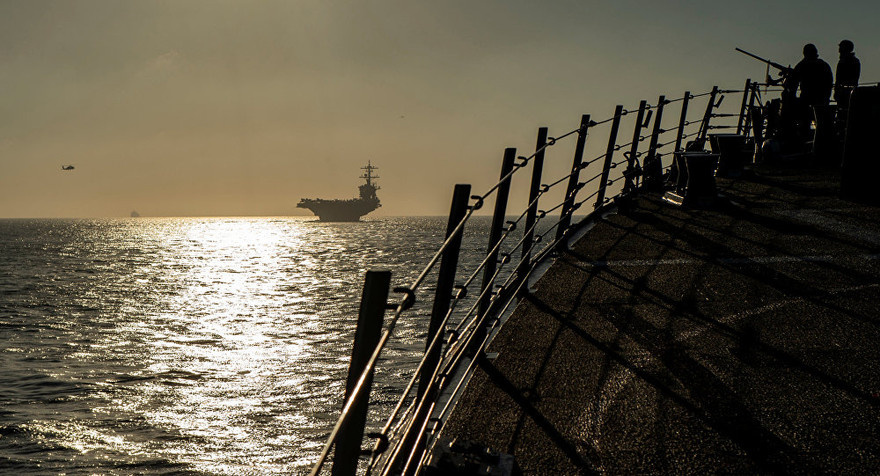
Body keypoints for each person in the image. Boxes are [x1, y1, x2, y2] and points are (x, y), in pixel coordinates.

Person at [834, 39, 861, 109]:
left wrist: (837, 89)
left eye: (841, 48)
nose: (839, 51)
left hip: (845, 92)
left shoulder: (847, 62)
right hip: (846, 91)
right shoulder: (854, 61)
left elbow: (839, 78)